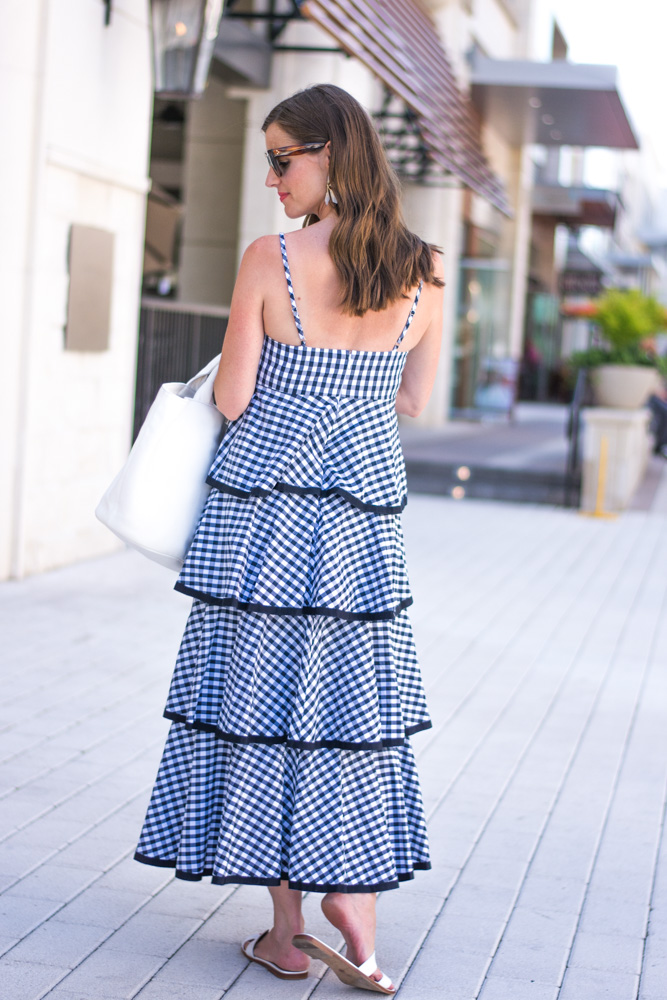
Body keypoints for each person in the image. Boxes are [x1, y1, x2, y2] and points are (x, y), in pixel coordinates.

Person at [134, 83, 444, 994]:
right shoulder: (425, 267)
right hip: (359, 530)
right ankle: (359, 905)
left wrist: (291, 394)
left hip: (263, 524)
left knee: (263, 707)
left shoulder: (269, 259)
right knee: (347, 710)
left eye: (282, 158)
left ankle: (283, 932)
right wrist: (349, 403)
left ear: (329, 155)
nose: (271, 178)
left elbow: (231, 399)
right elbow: (414, 401)